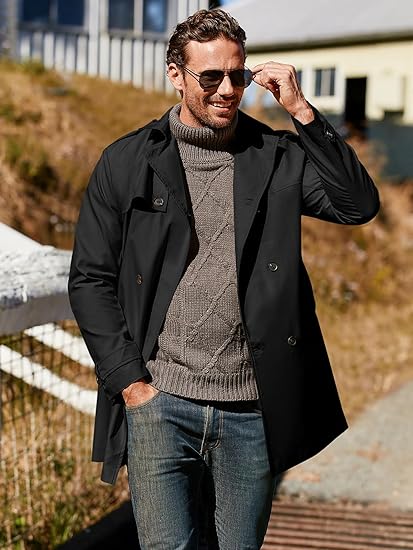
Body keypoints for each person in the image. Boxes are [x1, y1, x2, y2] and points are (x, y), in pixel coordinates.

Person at [68, 8, 380, 549]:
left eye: (238, 75)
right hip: (161, 403)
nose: (228, 90)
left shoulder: (275, 156)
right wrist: (133, 386)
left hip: (252, 410)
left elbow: (357, 205)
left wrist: (302, 112)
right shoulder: (127, 161)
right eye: (211, 76)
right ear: (176, 74)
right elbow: (89, 279)